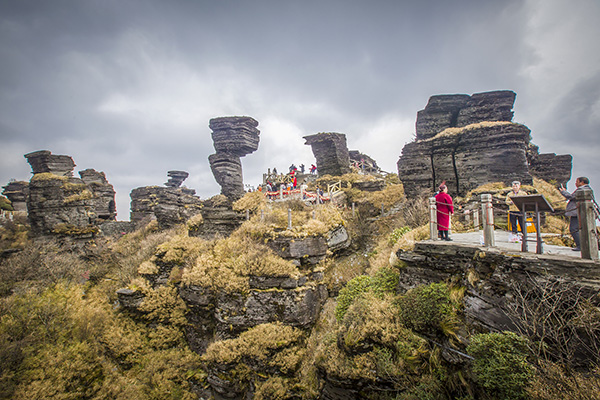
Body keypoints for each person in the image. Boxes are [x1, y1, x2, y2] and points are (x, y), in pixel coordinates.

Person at [560, 177, 593, 251]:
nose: (575, 183)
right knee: (580, 229)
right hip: (581, 211)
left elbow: (571, 197)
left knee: (573, 229)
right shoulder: (588, 189)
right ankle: (583, 246)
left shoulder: (582, 189)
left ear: (581, 182)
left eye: (577, 181)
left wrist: (564, 192)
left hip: (577, 212)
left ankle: (580, 246)